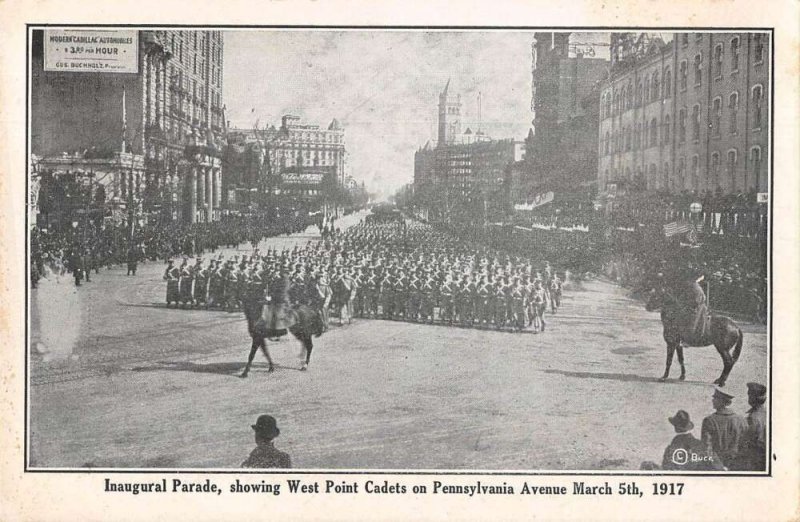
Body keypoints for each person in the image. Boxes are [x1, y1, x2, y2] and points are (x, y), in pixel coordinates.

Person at [701, 388, 748, 469]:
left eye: (715, 398)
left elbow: (707, 448)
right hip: (736, 466)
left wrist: (720, 467)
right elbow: (745, 446)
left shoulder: (709, 420)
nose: (713, 401)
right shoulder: (742, 420)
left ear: (722, 402)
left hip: (716, 467)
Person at [733, 382, 767, 471]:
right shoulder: (767, 414)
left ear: (753, 397)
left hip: (754, 460)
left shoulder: (753, 417)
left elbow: (747, 441)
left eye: (749, 395)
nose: (748, 397)